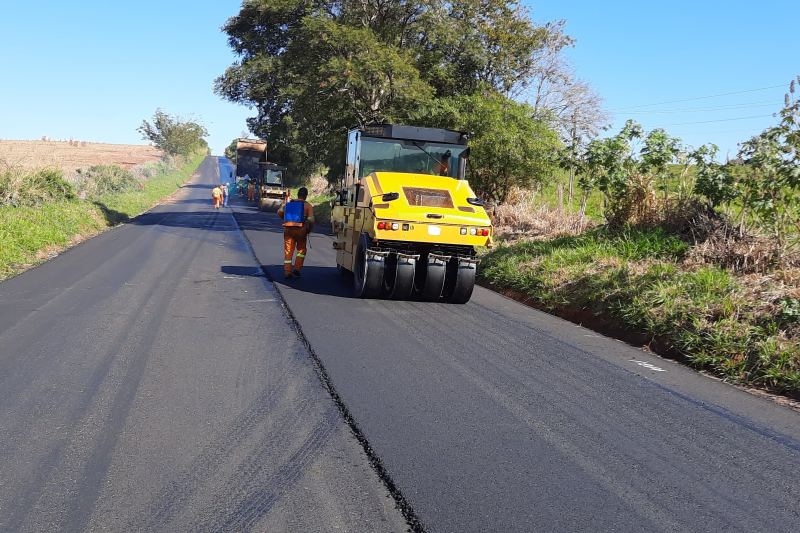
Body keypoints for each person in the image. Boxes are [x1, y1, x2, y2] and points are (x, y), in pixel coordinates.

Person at [277, 187, 314, 278]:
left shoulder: (289, 203)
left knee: (288, 251)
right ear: (305, 195)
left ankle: (288, 272)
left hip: (288, 229)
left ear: (298, 194)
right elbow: (311, 220)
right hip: (301, 230)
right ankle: (297, 269)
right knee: (301, 250)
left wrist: (285, 219)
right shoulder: (307, 206)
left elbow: (279, 212)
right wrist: (309, 229)